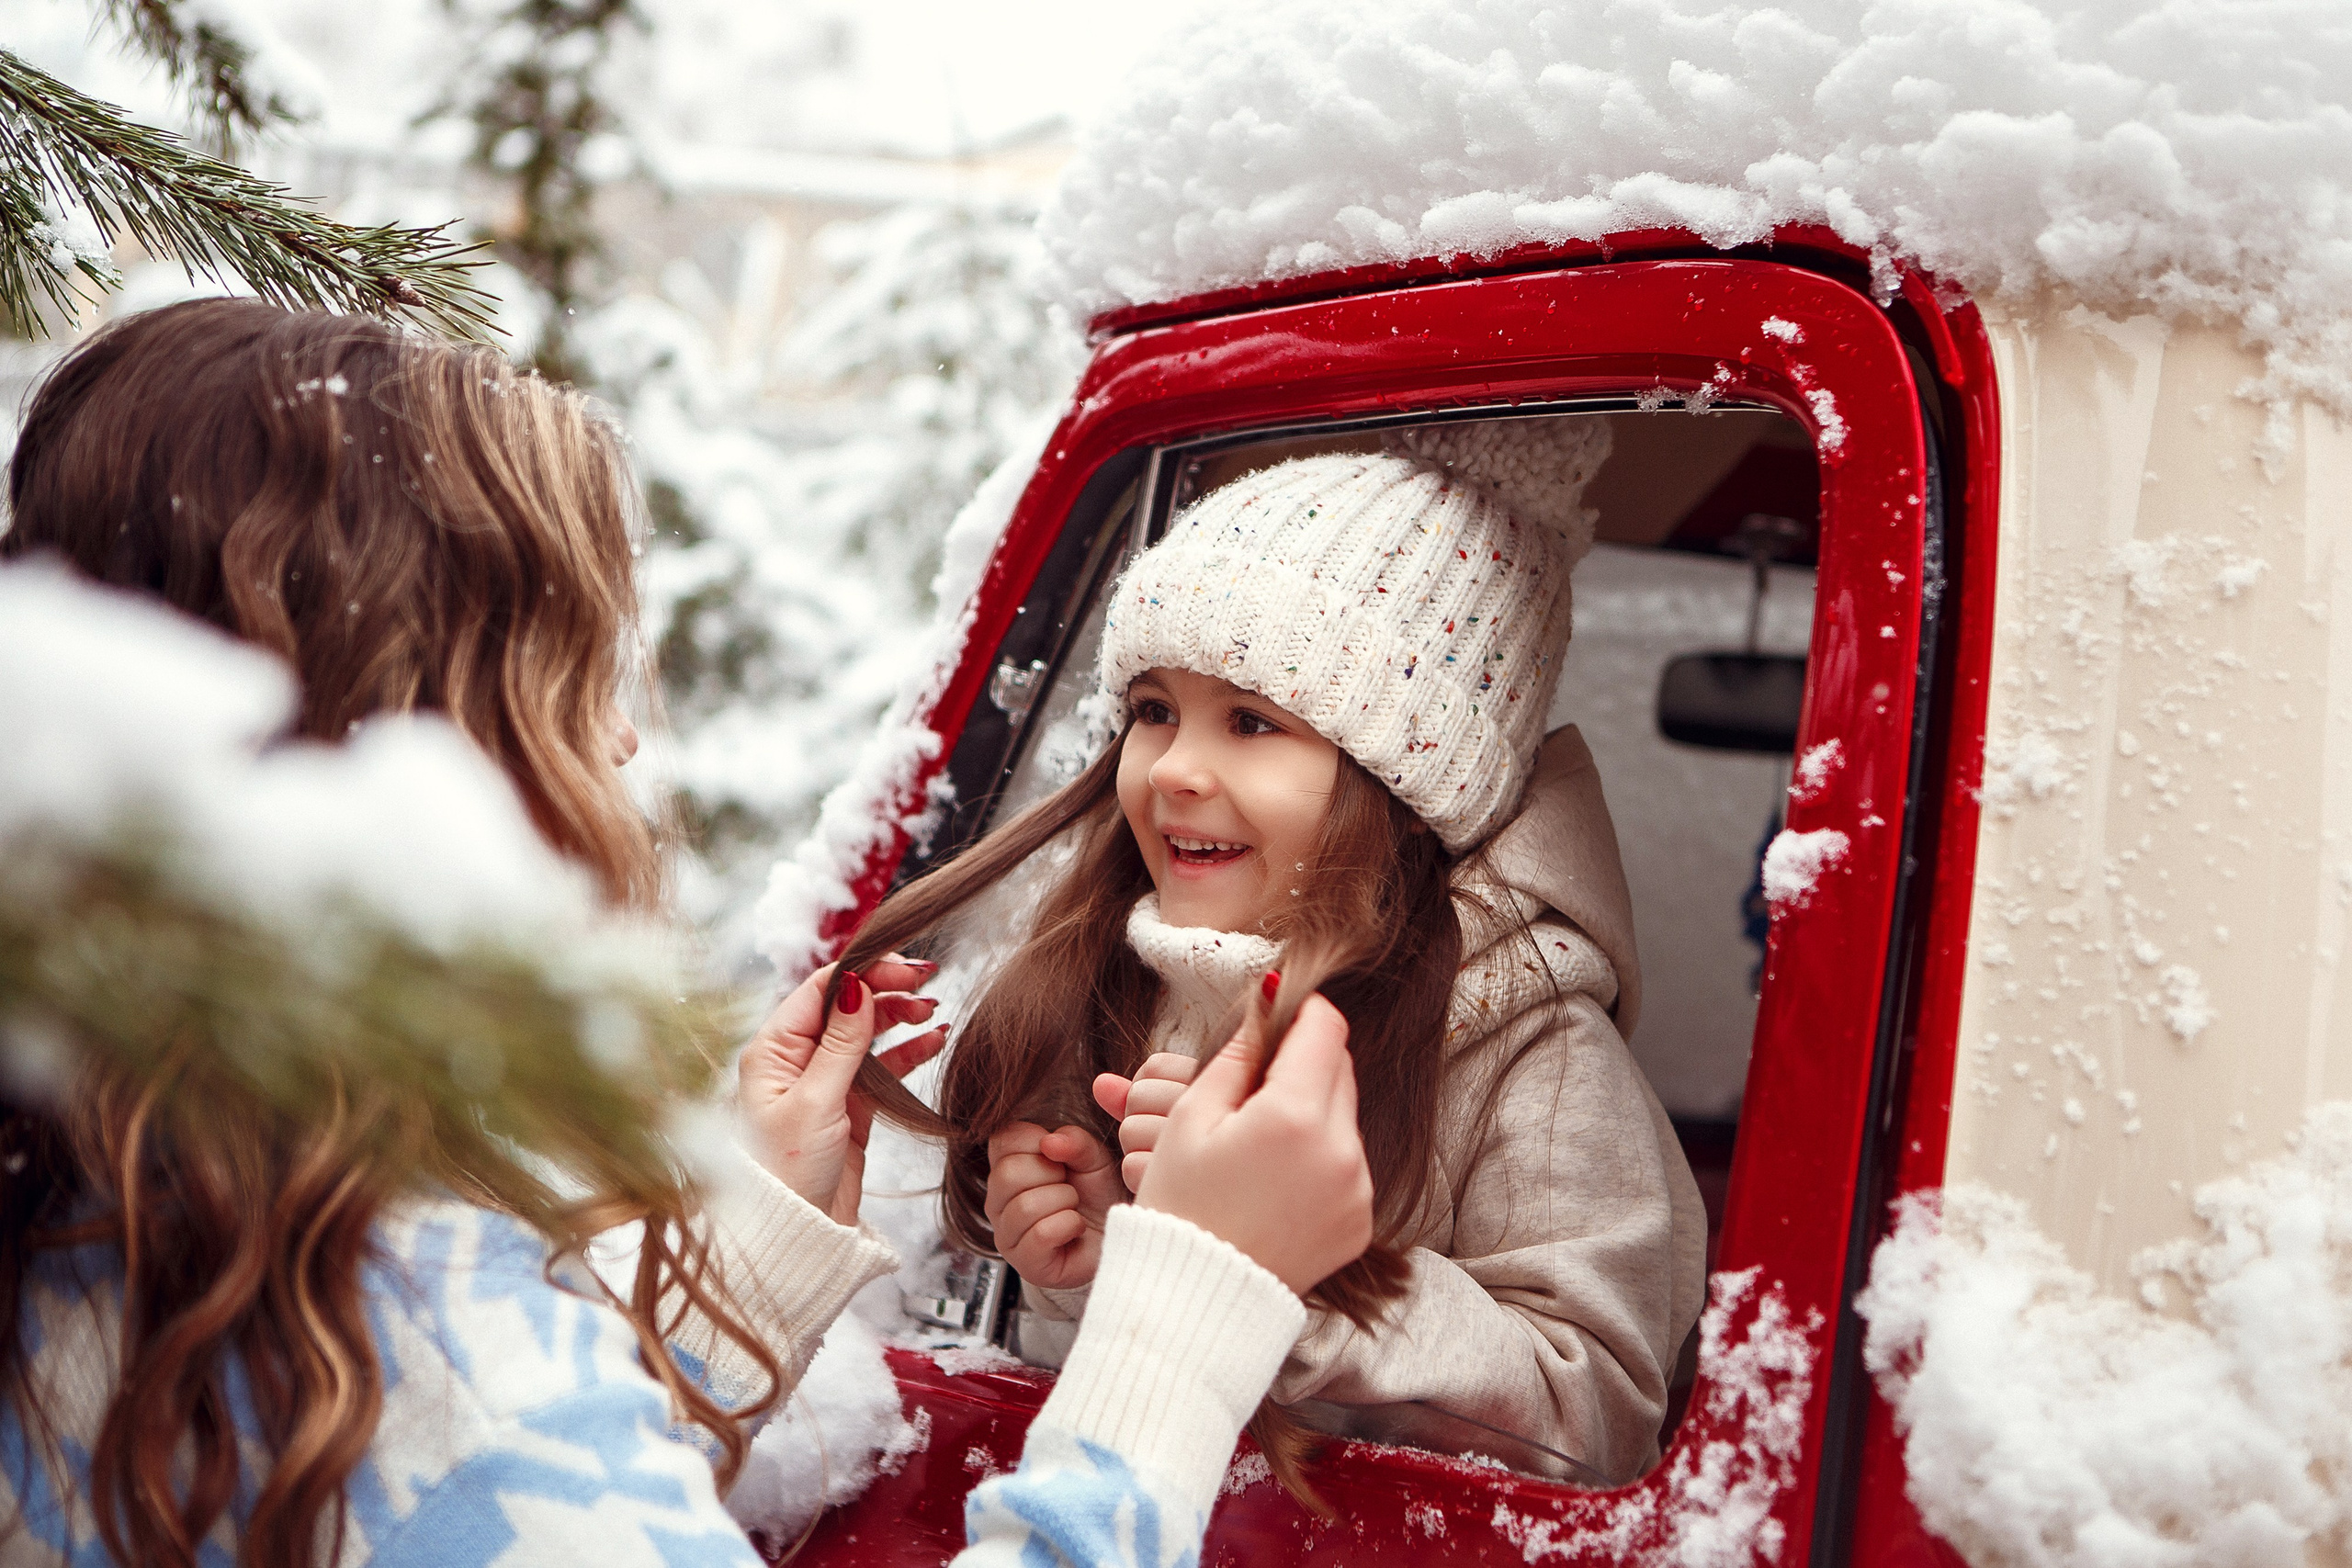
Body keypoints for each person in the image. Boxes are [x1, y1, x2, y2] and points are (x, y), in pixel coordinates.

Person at [0, 299, 1370, 1568]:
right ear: (403, 739)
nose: (618, 735)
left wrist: (746, 1251)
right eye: (565, 679)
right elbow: (472, 1453)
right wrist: (1190, 1312)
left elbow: (488, 1507)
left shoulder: (106, 1221)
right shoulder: (393, 1325)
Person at [836, 419, 1711, 1487]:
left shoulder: (1539, 1051)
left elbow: (1597, 1416)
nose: (1172, 770)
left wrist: (1296, 1279)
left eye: (1250, 722)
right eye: (1153, 711)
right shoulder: (1124, 983)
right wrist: (1101, 1259)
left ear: (1404, 781)